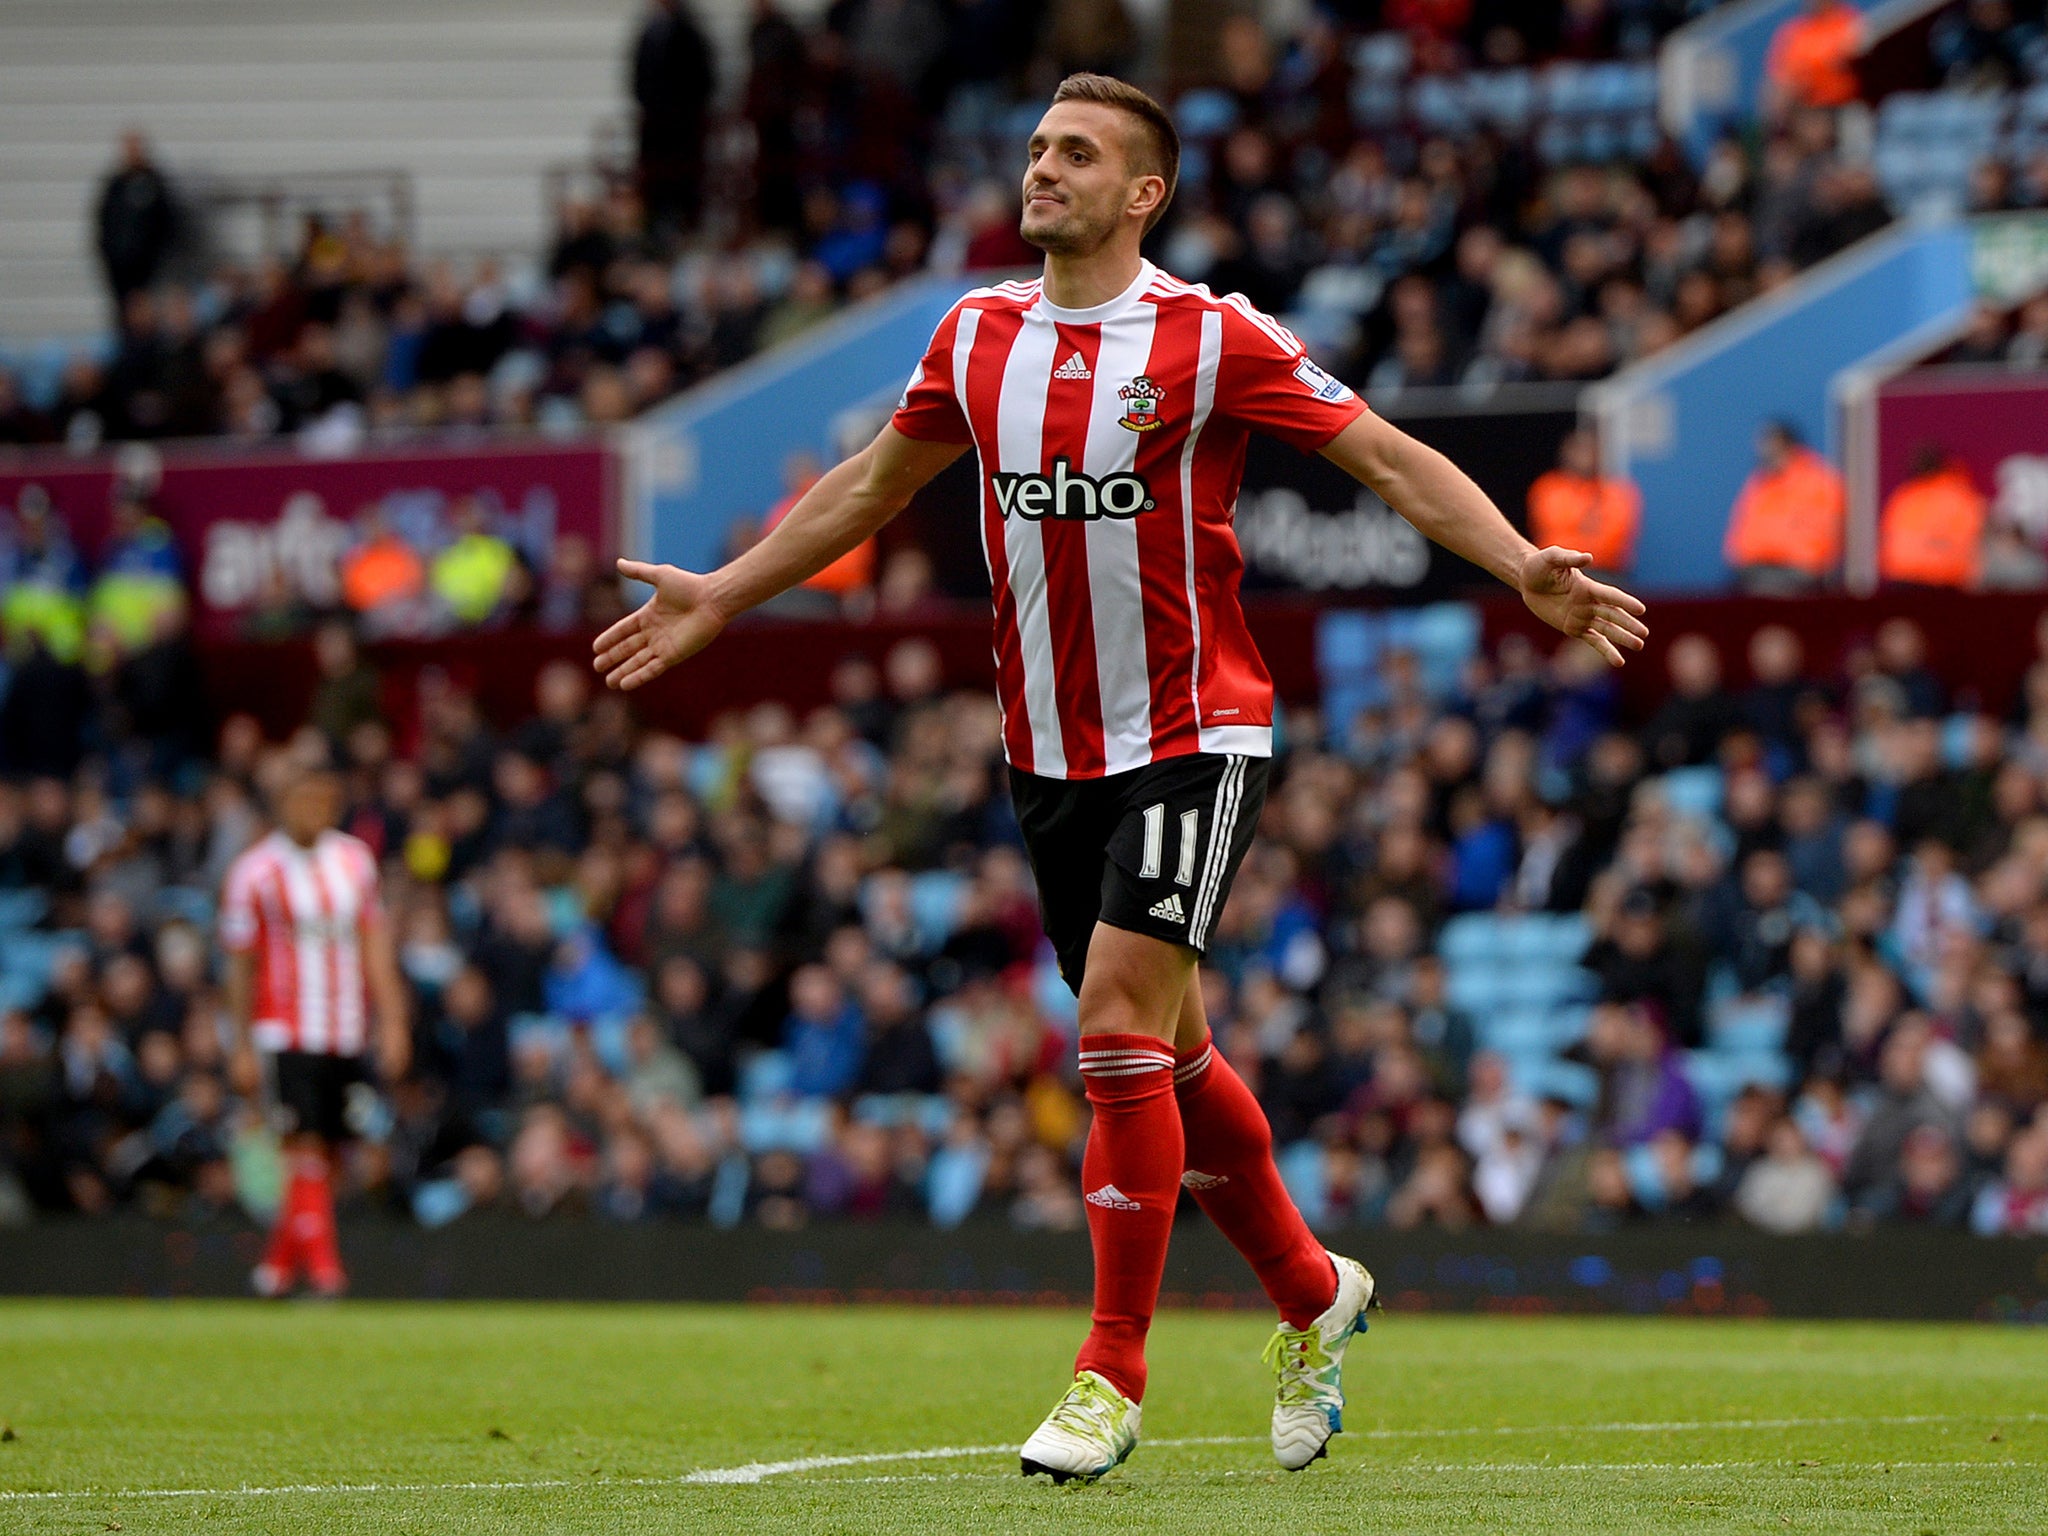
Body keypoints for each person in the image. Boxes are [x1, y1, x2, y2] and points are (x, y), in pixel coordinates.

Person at [591, 72, 1648, 1483]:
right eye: (1035, 147)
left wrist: (1523, 563)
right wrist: (723, 593)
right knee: (1173, 1053)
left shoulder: (1211, 338)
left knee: (1110, 1022)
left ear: (1144, 191)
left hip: (1197, 730)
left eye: (1076, 154)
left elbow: (1388, 461)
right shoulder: (974, 336)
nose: (1043, 169)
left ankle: (1109, 1372)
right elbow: (867, 490)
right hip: (1049, 751)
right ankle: (1314, 1295)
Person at [220, 764, 409, 1297]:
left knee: (330, 1154)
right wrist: (238, 1044)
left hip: (345, 1027)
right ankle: (327, 1270)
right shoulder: (254, 872)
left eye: (326, 800)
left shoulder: (353, 860)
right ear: (282, 803)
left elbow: (374, 941)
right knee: (301, 1144)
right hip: (285, 1027)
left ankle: (277, 1267)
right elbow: (239, 965)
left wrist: (392, 1021)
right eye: (306, 800)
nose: (317, 811)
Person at [1723, 420, 1845, 593]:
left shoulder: (1821, 482)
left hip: (1798, 573)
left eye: (1773, 449)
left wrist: (1777, 554)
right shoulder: (1759, 482)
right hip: (1754, 570)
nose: (1767, 454)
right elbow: (1741, 535)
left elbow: (1822, 540)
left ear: (1790, 447)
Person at [1526, 428, 1641, 576]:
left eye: (1590, 450)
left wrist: (1578, 536)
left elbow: (1613, 543)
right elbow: (1551, 535)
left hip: (1605, 573)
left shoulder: (1617, 491)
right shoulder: (1548, 487)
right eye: (1578, 450)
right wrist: (1584, 529)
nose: (1584, 456)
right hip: (1557, 571)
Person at [1878, 446, 1986, 590]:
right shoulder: (1905, 495)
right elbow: (1889, 538)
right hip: (1902, 579)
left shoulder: (1959, 498)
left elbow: (1969, 544)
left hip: (1943, 582)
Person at [94, 130, 178, 312]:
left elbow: (166, 223)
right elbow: (104, 221)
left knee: (144, 309)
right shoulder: (116, 185)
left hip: (147, 269)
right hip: (119, 267)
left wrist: (156, 258)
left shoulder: (154, 183)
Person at [1764, 0, 1865, 115]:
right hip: (1809, 109)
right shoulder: (1793, 32)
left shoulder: (1847, 19)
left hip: (1846, 103)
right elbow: (1780, 79)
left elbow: (1847, 57)